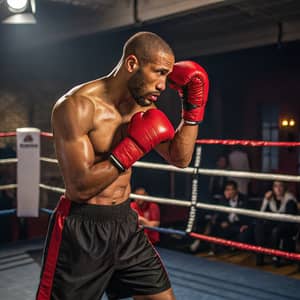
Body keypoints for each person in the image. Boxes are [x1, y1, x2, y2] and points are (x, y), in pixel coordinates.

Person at [36, 32, 209, 300]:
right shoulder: (77, 107)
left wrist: (192, 113)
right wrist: (132, 148)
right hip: (82, 229)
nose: (164, 85)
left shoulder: (141, 107)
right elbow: (80, 188)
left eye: (167, 76)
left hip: (126, 224)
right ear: (132, 64)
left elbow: (180, 158)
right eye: (159, 72)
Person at [255, 181, 298, 265]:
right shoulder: (270, 197)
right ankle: (260, 256)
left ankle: (276, 257)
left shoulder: (289, 199)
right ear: (273, 188)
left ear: (284, 187)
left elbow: (290, 219)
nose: (278, 189)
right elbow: (261, 213)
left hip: (287, 225)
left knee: (276, 230)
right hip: (274, 222)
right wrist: (266, 200)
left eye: (280, 186)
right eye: (275, 186)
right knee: (259, 227)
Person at [210, 180, 251, 251]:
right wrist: (222, 222)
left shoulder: (244, 198)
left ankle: (232, 246)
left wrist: (246, 225)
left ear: (236, 190)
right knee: (214, 225)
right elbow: (219, 214)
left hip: (240, 224)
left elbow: (248, 215)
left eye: (230, 189)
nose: (228, 192)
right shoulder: (224, 199)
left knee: (243, 235)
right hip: (228, 223)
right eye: (226, 189)